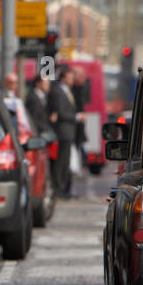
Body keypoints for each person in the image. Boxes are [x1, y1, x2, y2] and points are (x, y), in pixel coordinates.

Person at [48, 65, 79, 199]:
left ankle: (64, 189)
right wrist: (76, 117)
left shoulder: (67, 91)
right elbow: (61, 112)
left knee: (66, 162)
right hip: (62, 132)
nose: (72, 80)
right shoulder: (58, 91)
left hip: (68, 132)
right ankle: (59, 190)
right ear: (63, 78)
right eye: (70, 77)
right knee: (61, 163)